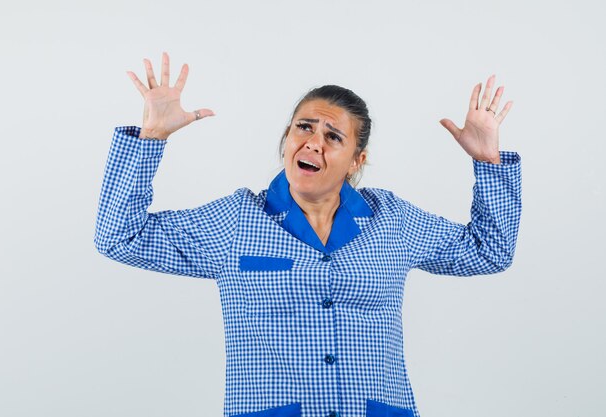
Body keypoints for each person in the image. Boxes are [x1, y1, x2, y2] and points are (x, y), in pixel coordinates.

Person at [94, 52, 521, 417]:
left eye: (333, 136)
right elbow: (119, 237)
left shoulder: (391, 221)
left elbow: (489, 251)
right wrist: (150, 139)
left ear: (357, 159)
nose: (314, 142)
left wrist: (489, 163)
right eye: (304, 127)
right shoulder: (236, 221)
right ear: (286, 138)